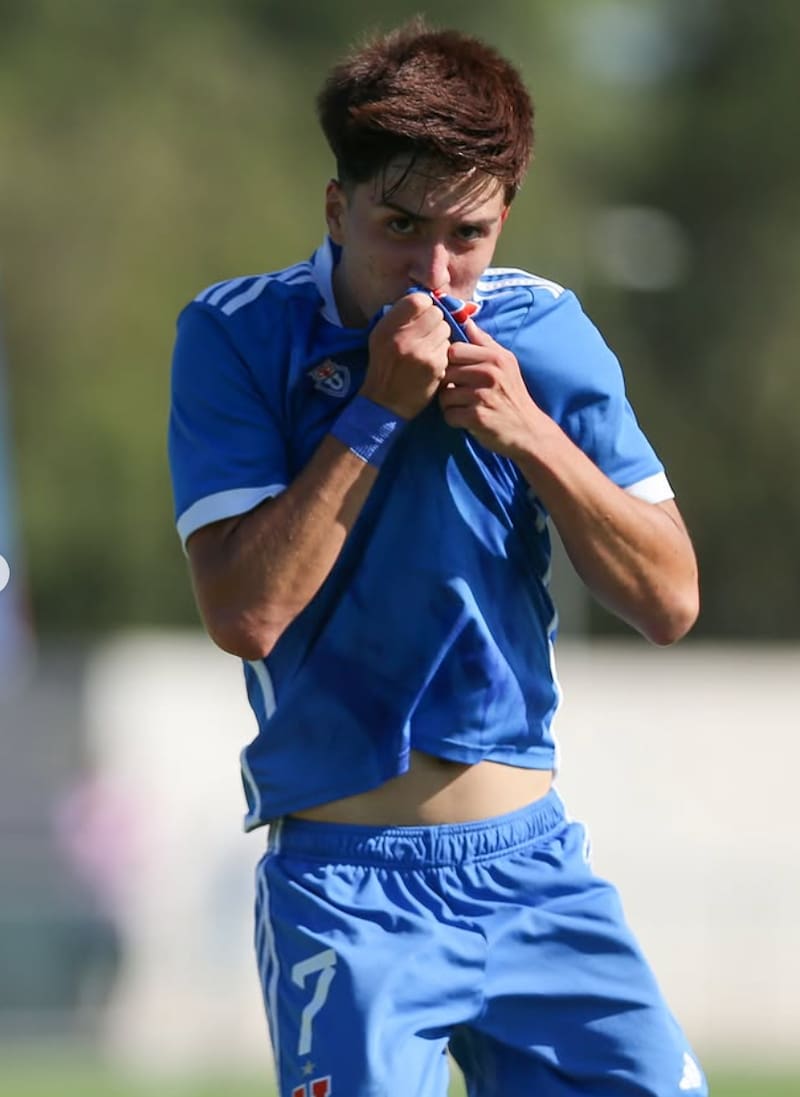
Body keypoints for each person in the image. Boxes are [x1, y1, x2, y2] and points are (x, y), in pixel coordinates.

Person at [168, 19, 706, 1097]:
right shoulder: (234, 334)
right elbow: (245, 612)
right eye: (398, 226)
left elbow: (668, 596)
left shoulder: (541, 332)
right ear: (336, 208)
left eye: (464, 234)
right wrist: (374, 411)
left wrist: (530, 432)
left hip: (535, 872)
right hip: (347, 892)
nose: (431, 273)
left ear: (505, 217)